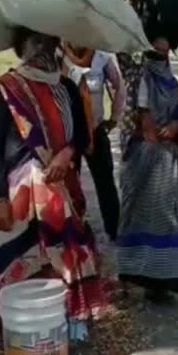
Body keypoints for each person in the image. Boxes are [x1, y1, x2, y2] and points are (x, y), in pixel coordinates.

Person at [0, 26, 105, 340]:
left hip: (61, 189)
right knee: (21, 260)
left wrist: (66, 155)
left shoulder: (66, 87)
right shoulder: (7, 87)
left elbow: (81, 135)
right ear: (22, 48)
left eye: (47, 42)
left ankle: (65, 324)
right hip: (18, 196)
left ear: (56, 46)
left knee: (63, 256)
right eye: (33, 43)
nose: (41, 50)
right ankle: (24, 333)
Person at [115, 37, 178, 303]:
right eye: (156, 53)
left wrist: (177, 125)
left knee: (169, 220)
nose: (161, 59)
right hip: (145, 161)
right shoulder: (138, 77)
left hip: (170, 161)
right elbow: (145, 125)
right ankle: (139, 275)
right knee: (141, 215)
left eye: (165, 54)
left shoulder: (172, 84)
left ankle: (166, 279)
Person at [61, 43, 125, 241]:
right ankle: (73, 233)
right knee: (69, 184)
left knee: (105, 182)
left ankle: (114, 231)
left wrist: (114, 117)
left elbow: (119, 86)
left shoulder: (103, 58)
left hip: (96, 131)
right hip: (68, 135)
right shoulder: (58, 56)